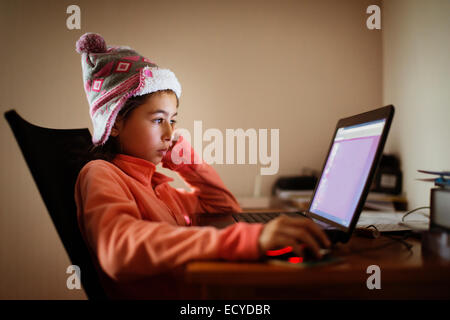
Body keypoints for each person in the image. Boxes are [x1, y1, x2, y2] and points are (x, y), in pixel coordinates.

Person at [74, 33, 330, 299]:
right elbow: (118, 249)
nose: (170, 133)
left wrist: (185, 160)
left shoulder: (158, 187)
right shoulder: (101, 174)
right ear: (114, 122)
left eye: (173, 120)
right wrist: (247, 240)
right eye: (157, 120)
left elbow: (223, 209)